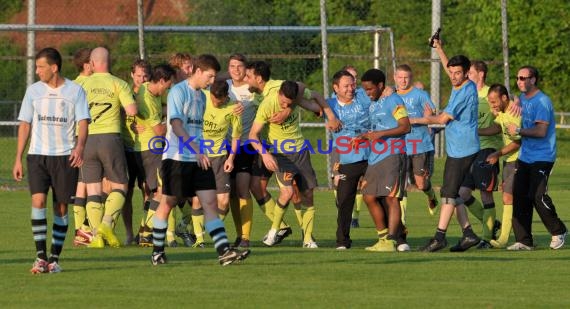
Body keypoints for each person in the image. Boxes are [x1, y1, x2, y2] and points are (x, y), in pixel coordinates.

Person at [150, 54, 250, 266]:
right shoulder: (178, 91)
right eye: (210, 76)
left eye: (214, 77)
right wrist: (196, 149)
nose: (212, 81)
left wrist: (237, 107)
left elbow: (223, 106)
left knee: (210, 203)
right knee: (168, 202)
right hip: (177, 157)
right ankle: (157, 251)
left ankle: (223, 252)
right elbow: (176, 125)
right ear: (197, 71)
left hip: (199, 157)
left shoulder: (203, 96)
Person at [13, 47, 90, 273]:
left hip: (65, 157)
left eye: (40, 67)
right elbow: (25, 124)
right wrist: (18, 157)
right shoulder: (33, 91)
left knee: (61, 207)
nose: (37, 71)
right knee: (37, 202)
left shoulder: (75, 91)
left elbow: (84, 122)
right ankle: (40, 257)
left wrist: (80, 147)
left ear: (54, 68)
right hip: (37, 156)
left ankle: (54, 259)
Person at [249, 80, 339, 248]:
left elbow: (313, 93)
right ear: (279, 94)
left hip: (301, 152)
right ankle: (274, 231)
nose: (285, 106)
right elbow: (253, 135)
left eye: (289, 104)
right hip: (280, 153)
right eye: (283, 102)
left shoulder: (296, 97)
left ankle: (308, 239)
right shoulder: (268, 104)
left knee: (308, 195)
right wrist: (265, 154)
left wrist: (330, 116)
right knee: (287, 192)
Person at [418, 39, 481, 252]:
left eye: (457, 73)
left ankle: (439, 237)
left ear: (466, 73)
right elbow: (448, 69)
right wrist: (439, 48)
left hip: (463, 150)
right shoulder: (462, 83)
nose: (452, 76)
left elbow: (442, 120)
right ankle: (469, 234)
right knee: (452, 194)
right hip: (459, 148)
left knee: (447, 194)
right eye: (451, 72)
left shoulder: (464, 93)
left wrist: (413, 120)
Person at [505, 66, 567, 250]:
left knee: (537, 196)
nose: (520, 81)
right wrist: (516, 99)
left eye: (524, 78)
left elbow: (541, 131)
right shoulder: (522, 98)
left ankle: (559, 231)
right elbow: (517, 98)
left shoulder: (542, 101)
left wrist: (517, 130)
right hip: (526, 156)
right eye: (518, 78)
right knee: (520, 196)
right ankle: (523, 240)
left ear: (534, 80)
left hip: (543, 156)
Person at [81, 47, 137, 248]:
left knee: (93, 188)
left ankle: (96, 237)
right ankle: (106, 224)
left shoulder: (82, 84)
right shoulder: (118, 83)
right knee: (121, 185)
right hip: (110, 138)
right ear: (108, 62)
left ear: (93, 63)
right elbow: (132, 110)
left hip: (86, 139)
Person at [358, 68, 411, 252]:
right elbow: (376, 128)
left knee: (391, 199)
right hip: (375, 157)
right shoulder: (374, 104)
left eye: (370, 89)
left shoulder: (394, 100)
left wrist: (381, 134)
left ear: (380, 86)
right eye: (365, 90)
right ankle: (383, 238)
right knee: (369, 196)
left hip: (393, 155)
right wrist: (364, 137)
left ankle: (392, 240)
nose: (368, 93)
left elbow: (405, 127)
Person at [123, 64, 176, 248]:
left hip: (139, 148)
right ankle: (146, 232)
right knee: (160, 192)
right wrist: (173, 122)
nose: (168, 88)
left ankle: (141, 232)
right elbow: (160, 131)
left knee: (150, 192)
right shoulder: (148, 101)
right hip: (149, 149)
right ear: (161, 81)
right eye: (168, 85)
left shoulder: (146, 89)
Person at [458, 60, 503, 248]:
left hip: (487, 150)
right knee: (462, 192)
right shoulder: (467, 93)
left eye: (470, 73)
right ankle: (491, 223)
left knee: (486, 195)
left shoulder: (490, 95)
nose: (466, 76)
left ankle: (486, 238)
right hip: (470, 150)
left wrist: (476, 132)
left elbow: (499, 126)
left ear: (481, 74)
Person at [328, 70, 370, 249]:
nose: (351, 89)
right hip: (348, 160)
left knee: (383, 198)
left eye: (353, 84)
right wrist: (330, 116)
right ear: (335, 88)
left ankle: (396, 238)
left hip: (372, 156)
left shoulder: (364, 97)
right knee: (344, 201)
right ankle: (342, 241)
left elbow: (384, 92)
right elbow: (307, 97)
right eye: (346, 86)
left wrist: (390, 90)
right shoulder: (329, 104)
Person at [477, 84, 521, 248]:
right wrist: (477, 131)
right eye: (490, 102)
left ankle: (503, 239)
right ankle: (517, 237)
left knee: (508, 197)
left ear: (504, 98)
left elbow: (517, 142)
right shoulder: (503, 113)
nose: (492, 106)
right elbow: (497, 127)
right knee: (512, 198)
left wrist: (497, 154)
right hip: (509, 160)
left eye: (494, 102)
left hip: (518, 159)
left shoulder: (514, 114)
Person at [394, 64, 438, 216]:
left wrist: (415, 120)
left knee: (421, 184)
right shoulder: (391, 96)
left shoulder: (420, 94)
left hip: (419, 145)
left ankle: (431, 196)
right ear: (395, 78)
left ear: (411, 78)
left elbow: (431, 117)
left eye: (406, 77)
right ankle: (401, 224)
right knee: (401, 184)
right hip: (399, 146)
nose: (403, 80)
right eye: (400, 77)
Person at [227, 53, 256, 248]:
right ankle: (238, 234)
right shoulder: (223, 86)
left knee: (243, 189)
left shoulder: (253, 88)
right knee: (230, 194)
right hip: (224, 146)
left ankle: (245, 237)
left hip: (246, 145)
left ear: (246, 68)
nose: (236, 69)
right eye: (232, 66)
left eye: (239, 66)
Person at [123, 59, 152, 245]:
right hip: (126, 148)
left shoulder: (151, 94)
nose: (142, 79)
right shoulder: (124, 92)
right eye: (139, 75)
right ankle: (128, 234)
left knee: (147, 190)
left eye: (145, 75)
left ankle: (145, 230)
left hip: (145, 149)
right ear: (132, 75)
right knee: (125, 192)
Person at [70, 47, 94, 246]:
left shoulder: (72, 84)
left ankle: (82, 231)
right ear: (87, 65)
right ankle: (85, 232)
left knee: (82, 185)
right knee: (87, 185)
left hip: (79, 140)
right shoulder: (84, 85)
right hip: (87, 140)